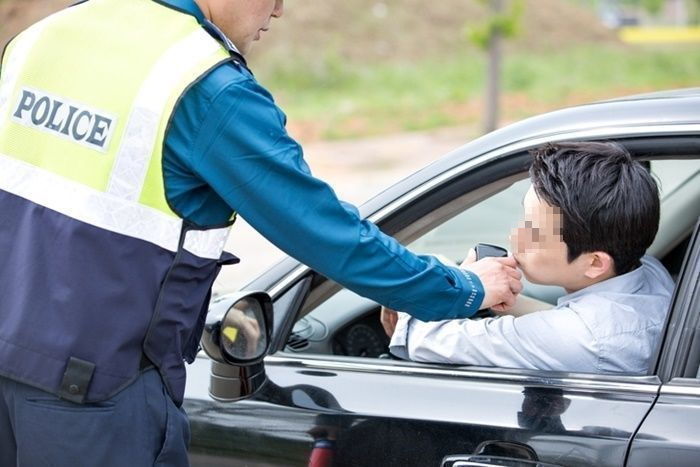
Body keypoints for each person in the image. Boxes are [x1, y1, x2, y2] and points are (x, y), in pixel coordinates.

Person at [0, 0, 521, 465]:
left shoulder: (46, 35)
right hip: (94, 394)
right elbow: (328, 235)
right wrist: (464, 288)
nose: (279, 12)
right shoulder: (204, 87)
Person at [384, 141, 675, 375]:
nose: (514, 236)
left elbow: (426, 340)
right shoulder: (648, 271)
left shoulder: (583, 340)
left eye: (534, 234)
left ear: (595, 263)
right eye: (523, 219)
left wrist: (463, 285)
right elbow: (569, 322)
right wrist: (509, 300)